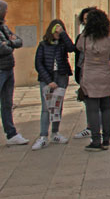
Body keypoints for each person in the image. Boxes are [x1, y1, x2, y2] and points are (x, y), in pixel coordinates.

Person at [32, 19, 75, 150]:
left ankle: (55, 133)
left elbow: (71, 48)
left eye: (60, 30)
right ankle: (43, 136)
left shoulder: (62, 44)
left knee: (58, 106)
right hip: (47, 78)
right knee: (46, 108)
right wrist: (48, 80)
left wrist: (63, 35)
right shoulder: (43, 45)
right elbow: (38, 63)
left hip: (61, 76)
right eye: (56, 31)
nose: (57, 33)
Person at [76, 8, 110, 151]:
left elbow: (79, 47)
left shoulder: (85, 38)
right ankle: (106, 139)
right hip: (105, 75)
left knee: (92, 110)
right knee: (106, 108)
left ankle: (95, 140)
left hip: (90, 76)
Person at [0, 0, 27, 146]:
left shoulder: (4, 27)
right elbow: (2, 49)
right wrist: (10, 44)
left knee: (7, 103)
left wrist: (9, 43)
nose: (6, 13)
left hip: (8, 68)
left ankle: (11, 134)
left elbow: (19, 41)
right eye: (5, 10)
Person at [72, 6, 95, 140]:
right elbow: (77, 52)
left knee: (96, 103)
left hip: (94, 74)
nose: (87, 21)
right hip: (83, 73)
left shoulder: (99, 37)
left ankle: (95, 129)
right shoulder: (82, 36)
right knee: (88, 103)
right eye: (85, 19)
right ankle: (90, 127)